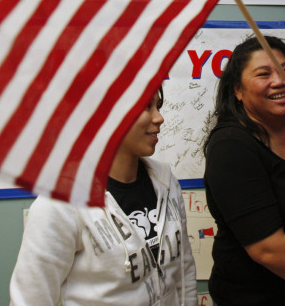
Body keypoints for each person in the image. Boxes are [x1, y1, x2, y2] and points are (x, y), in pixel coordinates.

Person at [10, 87, 197, 306]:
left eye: (158, 106)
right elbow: (31, 299)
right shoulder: (61, 203)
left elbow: (184, 272)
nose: (159, 118)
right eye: (147, 107)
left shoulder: (165, 182)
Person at [203, 35, 285, 306]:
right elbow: (269, 249)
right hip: (254, 299)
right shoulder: (230, 146)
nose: (280, 81)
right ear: (238, 91)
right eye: (264, 74)